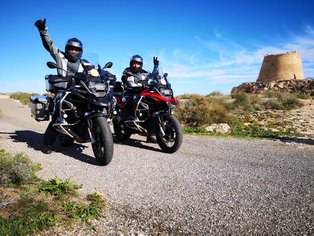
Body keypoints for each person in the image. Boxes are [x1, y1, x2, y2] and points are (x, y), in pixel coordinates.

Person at [34, 18, 90, 154]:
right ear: (67, 49)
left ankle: (89, 130)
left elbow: (95, 71)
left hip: (79, 90)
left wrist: (103, 75)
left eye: (76, 49)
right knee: (57, 115)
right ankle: (47, 144)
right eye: (71, 49)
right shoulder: (60, 56)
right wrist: (43, 31)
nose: (73, 51)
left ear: (80, 51)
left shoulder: (85, 62)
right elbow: (49, 45)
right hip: (63, 90)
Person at [121, 55, 159, 142]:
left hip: (142, 92)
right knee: (129, 101)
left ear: (141, 65)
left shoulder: (144, 72)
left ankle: (151, 134)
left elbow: (153, 75)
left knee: (151, 107)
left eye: (138, 64)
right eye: (134, 63)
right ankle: (128, 123)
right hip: (129, 91)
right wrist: (126, 81)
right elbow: (124, 77)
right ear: (131, 64)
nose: (135, 65)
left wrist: (156, 67)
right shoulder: (127, 70)